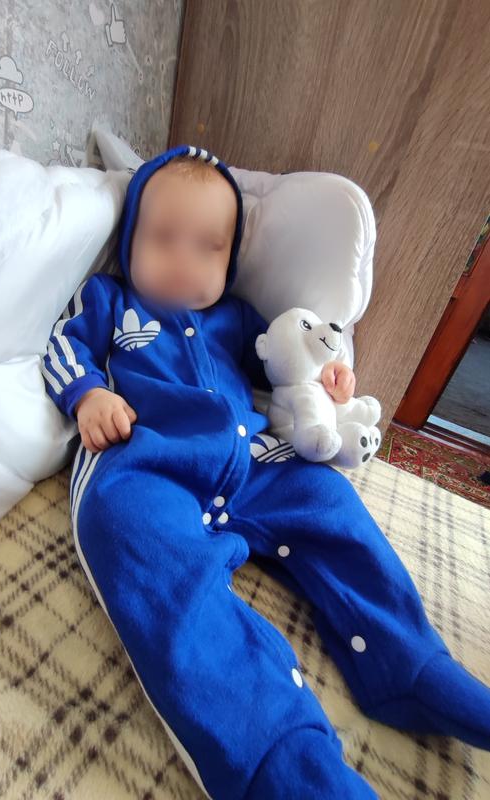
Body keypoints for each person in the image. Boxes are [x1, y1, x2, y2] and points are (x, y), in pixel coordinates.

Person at [41, 145, 490, 800]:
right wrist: (87, 395)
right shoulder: (108, 299)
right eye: (161, 238)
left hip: (253, 460)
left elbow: (284, 364)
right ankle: (275, 752)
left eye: (207, 247)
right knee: (135, 540)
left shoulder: (236, 317)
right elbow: (63, 344)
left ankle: (411, 663)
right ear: (129, 238)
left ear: (229, 260)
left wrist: (326, 377)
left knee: (329, 501)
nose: (183, 260)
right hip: (149, 464)